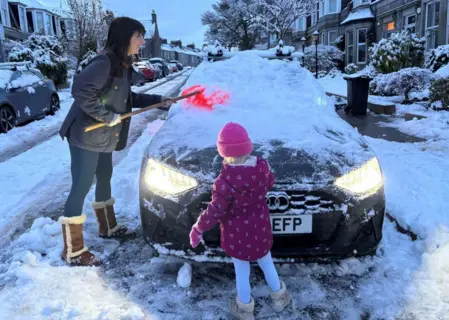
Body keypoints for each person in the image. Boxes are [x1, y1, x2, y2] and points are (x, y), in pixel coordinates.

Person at [58, 17, 173, 267]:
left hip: (102, 136)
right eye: (139, 36)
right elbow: (80, 91)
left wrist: (158, 100)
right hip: (85, 133)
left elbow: (125, 97)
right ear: (124, 38)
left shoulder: (121, 64)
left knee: (105, 176)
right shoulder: (104, 62)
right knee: (81, 184)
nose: (142, 41)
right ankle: (73, 250)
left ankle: (108, 227)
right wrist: (107, 116)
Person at [189, 122, 292, 319]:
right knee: (267, 263)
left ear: (223, 151)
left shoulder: (224, 181)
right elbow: (270, 182)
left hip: (236, 234)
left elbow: (215, 210)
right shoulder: (261, 168)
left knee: (241, 271)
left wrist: (198, 228)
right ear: (248, 146)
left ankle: (245, 309)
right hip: (260, 229)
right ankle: (280, 298)